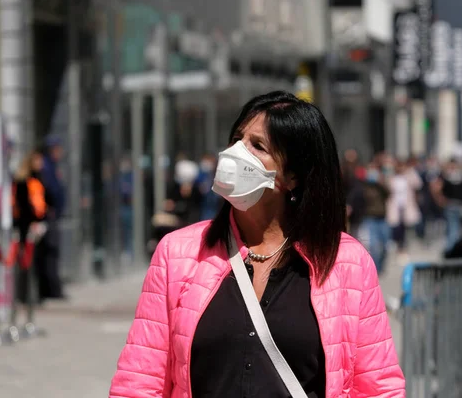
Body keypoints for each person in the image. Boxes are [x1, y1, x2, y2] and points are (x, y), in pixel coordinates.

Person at [109, 91, 404, 397]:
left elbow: (378, 387)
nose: (236, 153)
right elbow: (140, 380)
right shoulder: (177, 253)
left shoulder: (347, 262)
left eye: (257, 146)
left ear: (292, 176)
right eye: (237, 139)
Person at [12, 150, 48, 304]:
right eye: (38, 161)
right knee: (26, 262)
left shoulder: (38, 179)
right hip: (26, 227)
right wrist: (32, 222)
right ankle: (24, 296)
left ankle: (36, 294)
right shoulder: (22, 181)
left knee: (37, 261)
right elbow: (23, 206)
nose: (41, 164)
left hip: (37, 224)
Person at [348, 162, 390, 274]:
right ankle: (375, 269)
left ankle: (381, 265)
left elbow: (388, 194)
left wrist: (381, 183)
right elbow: (356, 199)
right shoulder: (363, 187)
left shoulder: (380, 187)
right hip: (370, 218)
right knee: (374, 245)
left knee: (386, 245)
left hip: (382, 218)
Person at [39, 137, 66, 299]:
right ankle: (51, 290)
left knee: (52, 253)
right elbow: (52, 191)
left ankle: (52, 289)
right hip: (49, 216)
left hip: (53, 215)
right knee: (50, 253)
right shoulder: (47, 167)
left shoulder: (51, 166)